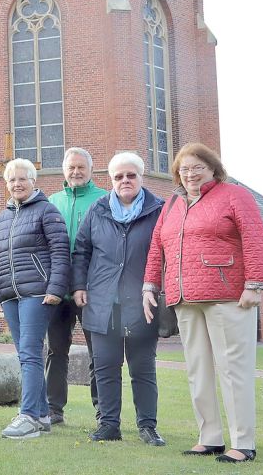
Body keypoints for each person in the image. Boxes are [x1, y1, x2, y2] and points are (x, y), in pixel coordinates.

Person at [142, 143, 263, 463]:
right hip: (184, 298)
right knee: (198, 371)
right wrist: (149, 286)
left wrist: (254, 285)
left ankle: (243, 442)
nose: (190, 174)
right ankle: (209, 436)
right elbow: (157, 247)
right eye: (184, 169)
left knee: (233, 370)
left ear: (213, 169)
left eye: (197, 167)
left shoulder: (234, 195)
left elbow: (256, 239)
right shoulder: (172, 203)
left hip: (227, 297)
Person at [71, 152, 165, 445]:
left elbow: (166, 252)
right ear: (110, 180)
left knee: (143, 368)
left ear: (141, 176)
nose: (125, 180)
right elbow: (81, 251)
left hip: (141, 304)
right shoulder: (98, 210)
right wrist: (78, 286)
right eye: (118, 176)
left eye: (131, 175)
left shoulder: (158, 210)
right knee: (105, 367)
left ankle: (148, 427)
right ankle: (109, 425)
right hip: (102, 302)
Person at [0, 158, 68, 439]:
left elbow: (60, 252)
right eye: (12, 180)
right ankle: (44, 414)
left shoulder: (47, 211)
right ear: (6, 184)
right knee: (25, 353)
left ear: (33, 181)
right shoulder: (2, 217)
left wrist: (56, 289)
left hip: (37, 293)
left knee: (30, 352)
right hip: (10, 295)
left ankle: (29, 416)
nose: (17, 184)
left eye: (22, 179)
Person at [46, 147, 106, 425]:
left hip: (92, 289)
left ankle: (103, 411)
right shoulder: (52, 201)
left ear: (91, 170)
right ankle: (53, 409)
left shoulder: (105, 200)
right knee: (56, 351)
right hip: (58, 289)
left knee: (99, 352)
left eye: (81, 167)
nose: (76, 172)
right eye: (71, 167)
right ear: (64, 170)